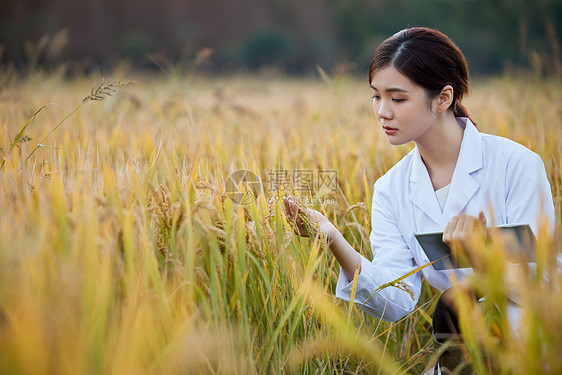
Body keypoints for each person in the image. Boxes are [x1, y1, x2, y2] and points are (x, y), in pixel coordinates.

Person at [283, 27, 555, 373]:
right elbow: (396, 302)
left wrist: (484, 258)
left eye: (397, 99)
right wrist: (332, 238)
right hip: (458, 351)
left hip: (529, 350)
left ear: (443, 98)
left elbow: (544, 282)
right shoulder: (390, 189)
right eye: (376, 97)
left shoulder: (515, 165)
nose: (382, 112)